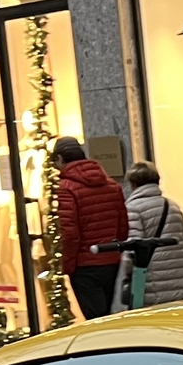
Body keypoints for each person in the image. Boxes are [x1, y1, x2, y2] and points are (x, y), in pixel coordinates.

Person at [48, 136, 129, 323]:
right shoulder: (111, 185)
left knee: (95, 320)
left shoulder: (66, 189)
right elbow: (123, 226)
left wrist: (67, 265)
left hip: (85, 265)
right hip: (112, 262)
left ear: (60, 159)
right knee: (114, 316)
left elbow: (69, 233)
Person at [114, 161, 183, 308]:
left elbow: (133, 251)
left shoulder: (133, 209)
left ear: (133, 184)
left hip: (153, 289)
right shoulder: (173, 206)